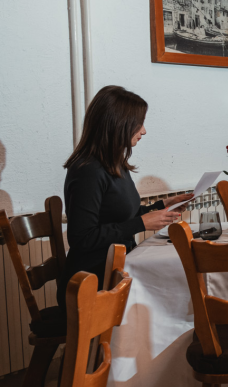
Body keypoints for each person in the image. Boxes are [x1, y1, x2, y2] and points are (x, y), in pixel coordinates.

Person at [62, 86, 191, 301]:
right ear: (118, 124)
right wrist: (141, 223)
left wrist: (163, 205)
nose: (144, 131)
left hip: (116, 269)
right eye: (139, 123)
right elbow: (81, 238)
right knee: (174, 290)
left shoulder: (115, 164)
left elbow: (121, 216)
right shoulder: (88, 170)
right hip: (93, 282)